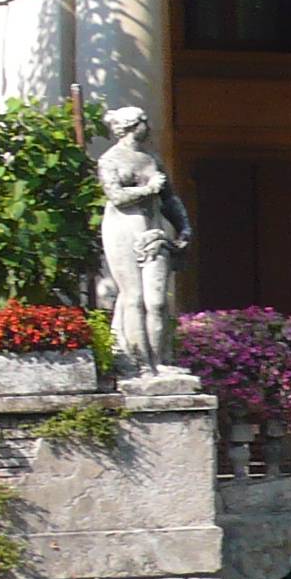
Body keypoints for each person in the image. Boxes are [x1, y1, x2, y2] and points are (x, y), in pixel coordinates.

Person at [95, 104, 191, 376]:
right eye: (144, 121)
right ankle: (141, 365)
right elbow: (115, 196)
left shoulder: (152, 159)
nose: (148, 126)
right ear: (131, 126)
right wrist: (148, 188)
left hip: (153, 230)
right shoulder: (109, 160)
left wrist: (184, 227)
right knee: (133, 297)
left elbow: (169, 198)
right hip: (123, 229)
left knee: (157, 301)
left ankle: (159, 361)